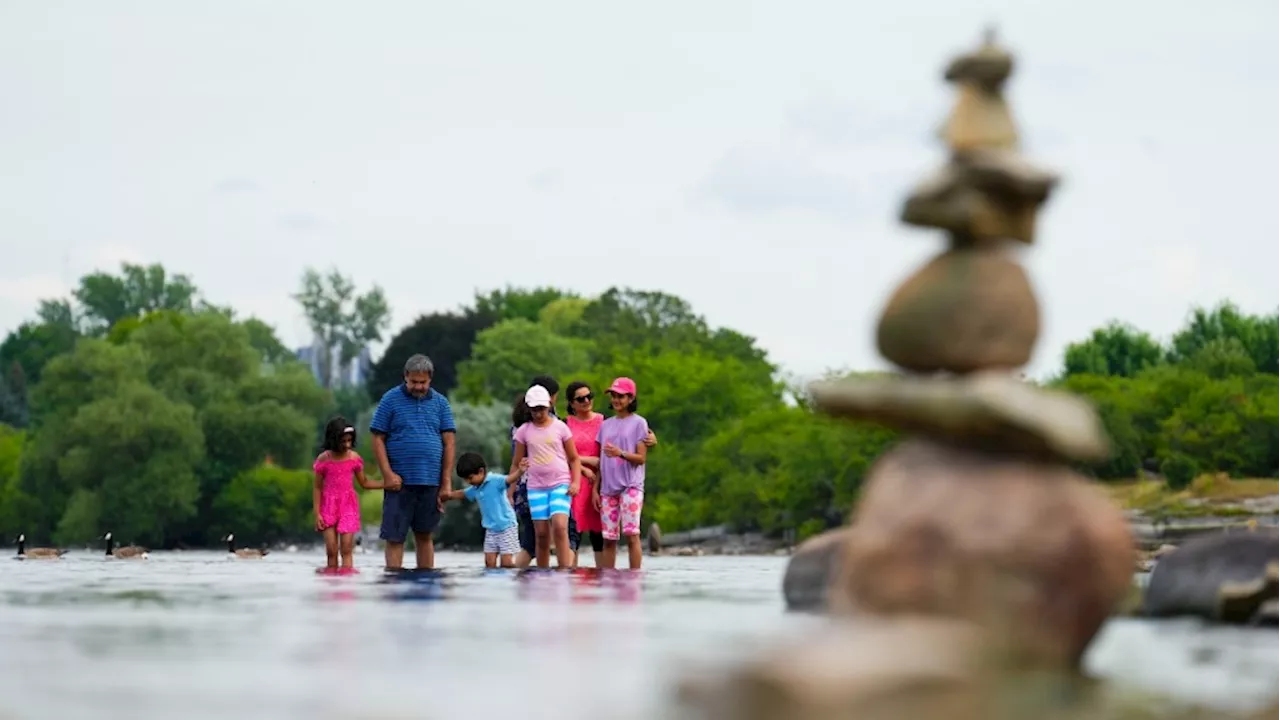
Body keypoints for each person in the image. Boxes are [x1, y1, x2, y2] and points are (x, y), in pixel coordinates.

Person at [369, 354, 457, 570]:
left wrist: (446, 481)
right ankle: (393, 580)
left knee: (425, 535)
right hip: (399, 483)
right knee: (394, 537)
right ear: (405, 377)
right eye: (414, 382)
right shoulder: (390, 399)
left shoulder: (441, 403)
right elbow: (377, 438)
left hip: (430, 481)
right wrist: (387, 474)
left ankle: (426, 580)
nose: (418, 386)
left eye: (423, 382)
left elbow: (449, 443)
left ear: (430, 380)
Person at [510, 384, 582, 568]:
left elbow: (574, 458)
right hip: (536, 487)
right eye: (534, 409)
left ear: (549, 405)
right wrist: (511, 491)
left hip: (560, 484)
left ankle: (564, 569)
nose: (538, 413)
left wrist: (576, 482)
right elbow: (516, 463)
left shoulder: (560, 428)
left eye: (541, 409)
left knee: (560, 526)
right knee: (541, 534)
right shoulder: (523, 431)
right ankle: (543, 573)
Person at [314, 417, 393, 569]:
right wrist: (317, 513)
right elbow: (317, 487)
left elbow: (365, 483)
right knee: (331, 549)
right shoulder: (324, 459)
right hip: (328, 505)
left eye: (349, 441)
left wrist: (386, 484)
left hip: (348, 506)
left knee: (346, 548)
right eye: (343, 441)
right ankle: (331, 579)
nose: (347, 445)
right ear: (333, 439)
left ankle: (347, 579)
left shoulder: (354, 458)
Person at [595, 377, 649, 570]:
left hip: (630, 486)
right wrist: (596, 488)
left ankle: (634, 577)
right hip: (608, 489)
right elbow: (601, 461)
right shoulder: (605, 425)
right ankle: (609, 578)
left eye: (621, 396)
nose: (616, 400)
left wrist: (621, 453)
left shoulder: (639, 424)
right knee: (608, 538)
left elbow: (641, 458)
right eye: (614, 396)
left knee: (632, 534)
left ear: (630, 398)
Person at [509, 375, 560, 569]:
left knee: (532, 539)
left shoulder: (517, 424)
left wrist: (511, 489)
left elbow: (515, 461)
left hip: (522, 484)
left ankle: (520, 575)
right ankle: (516, 573)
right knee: (536, 541)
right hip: (541, 484)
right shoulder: (547, 423)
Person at [442, 452, 526, 568]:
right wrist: (447, 496)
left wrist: (520, 471)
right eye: (466, 479)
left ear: (481, 471)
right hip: (491, 529)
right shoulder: (475, 489)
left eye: (470, 478)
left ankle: (516, 577)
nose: (468, 482)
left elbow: (510, 479)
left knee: (506, 563)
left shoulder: (495, 481)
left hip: (506, 526)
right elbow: (462, 493)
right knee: (489, 563)